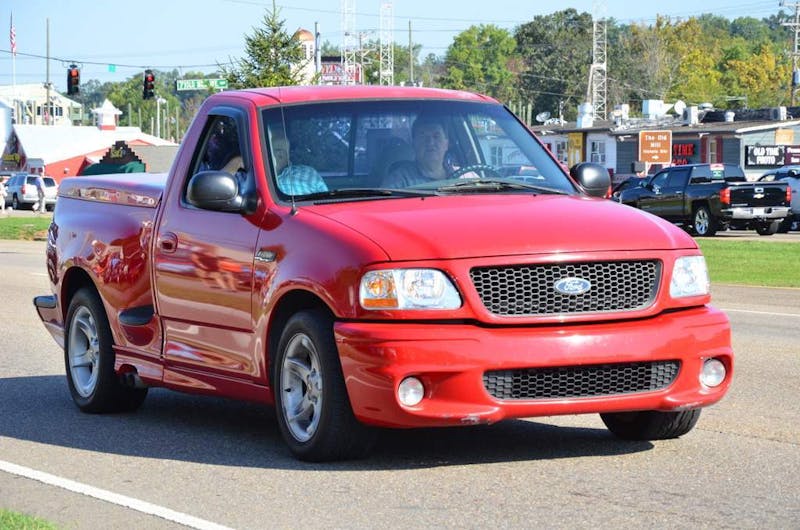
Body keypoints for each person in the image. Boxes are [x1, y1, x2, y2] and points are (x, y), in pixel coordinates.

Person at [383, 115, 455, 188]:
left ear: (446, 144)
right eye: (423, 136)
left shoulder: (458, 176)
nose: (430, 142)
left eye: (436, 136)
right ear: (413, 144)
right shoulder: (399, 179)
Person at [269, 128, 327, 195]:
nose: (279, 154)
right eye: (276, 150)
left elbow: (327, 199)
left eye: (284, 151)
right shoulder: (259, 179)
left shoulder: (307, 172)